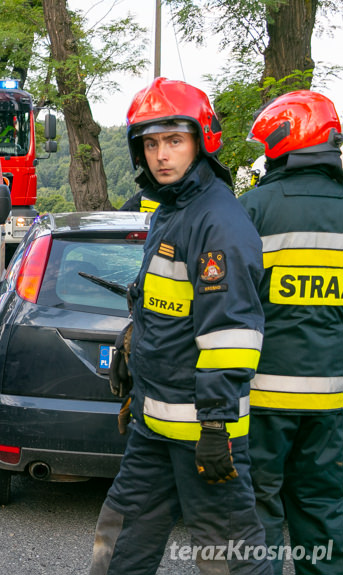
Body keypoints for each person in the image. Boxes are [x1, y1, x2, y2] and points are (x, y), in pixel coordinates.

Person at [90, 77, 270, 575]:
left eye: (174, 140)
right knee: (119, 542)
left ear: (201, 140)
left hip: (205, 435)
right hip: (154, 425)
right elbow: (166, 309)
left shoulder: (218, 223)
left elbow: (231, 332)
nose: (161, 155)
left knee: (229, 560)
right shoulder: (173, 211)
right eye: (151, 143)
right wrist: (133, 356)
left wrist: (216, 424)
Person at [238, 90, 343, 575]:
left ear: (282, 140)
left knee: (258, 512)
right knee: (324, 512)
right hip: (333, 404)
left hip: (262, 400)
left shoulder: (252, 210)